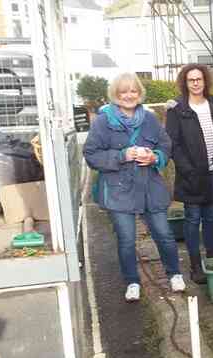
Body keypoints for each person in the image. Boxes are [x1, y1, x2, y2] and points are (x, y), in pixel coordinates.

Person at [84, 72, 186, 301]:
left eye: (133, 91)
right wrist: (121, 155)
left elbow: (165, 144)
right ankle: (132, 281)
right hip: (119, 189)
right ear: (115, 95)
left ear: (139, 94)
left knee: (164, 234)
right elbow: (91, 154)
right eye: (123, 92)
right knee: (127, 239)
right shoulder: (103, 121)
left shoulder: (149, 118)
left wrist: (155, 157)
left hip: (149, 186)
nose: (129, 95)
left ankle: (174, 274)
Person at [165, 64, 213, 284]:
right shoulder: (177, 109)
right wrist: (187, 169)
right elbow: (173, 143)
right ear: (185, 83)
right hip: (191, 176)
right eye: (191, 80)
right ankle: (196, 265)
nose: (196, 83)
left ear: (205, 81)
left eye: (199, 79)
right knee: (192, 220)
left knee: (210, 219)